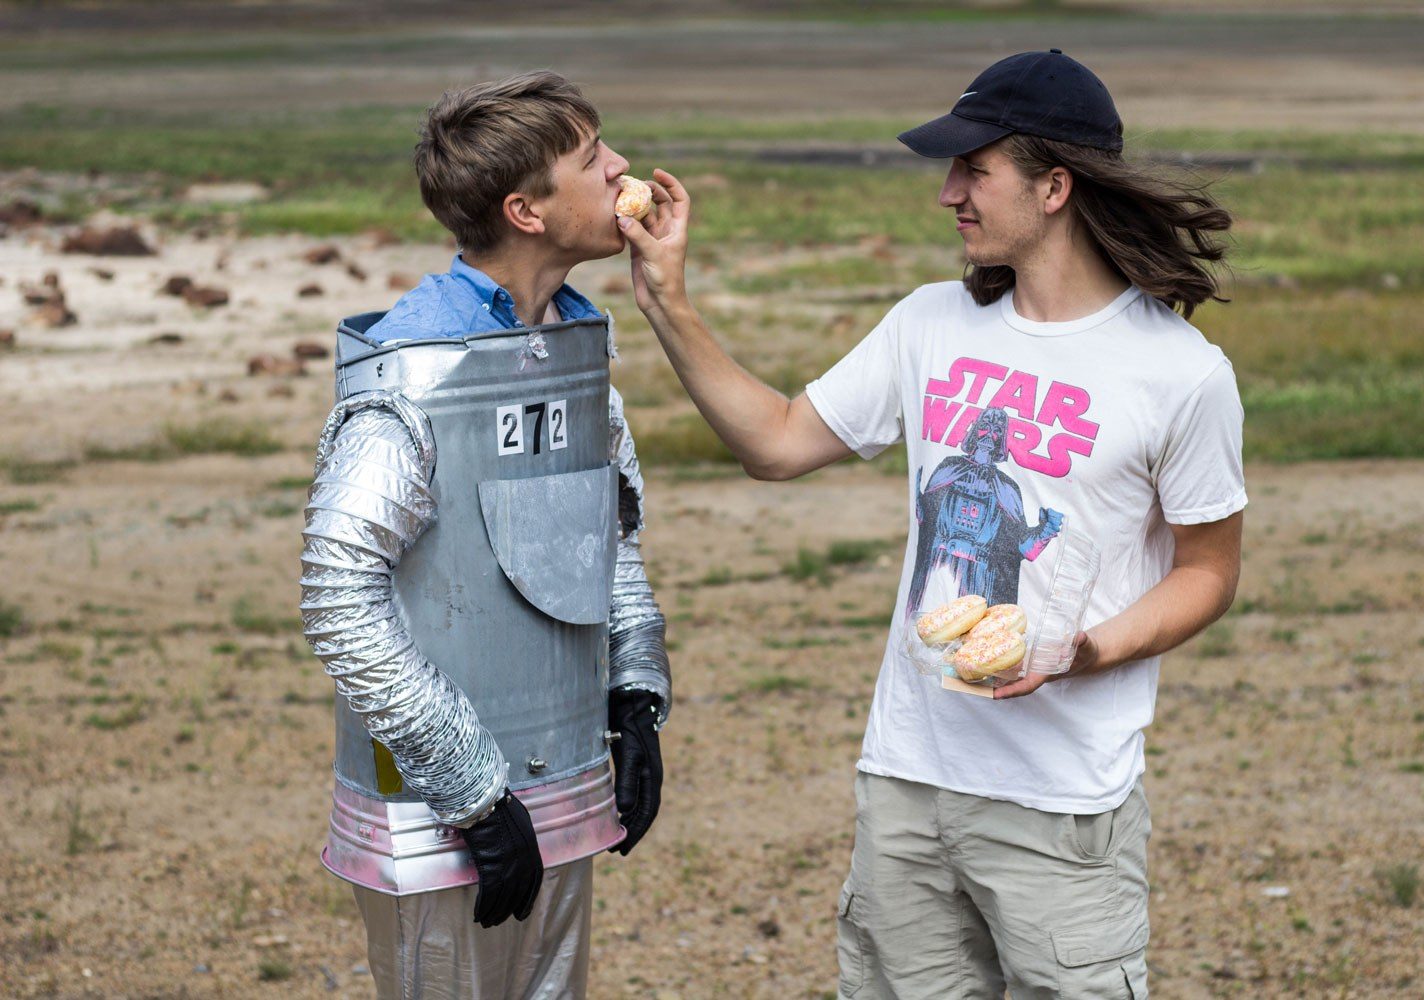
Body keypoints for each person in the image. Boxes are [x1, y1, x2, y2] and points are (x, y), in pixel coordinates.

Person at [618, 50, 1244, 999]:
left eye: (974, 169)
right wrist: (667, 296)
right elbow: (778, 443)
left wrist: (1082, 650)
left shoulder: (1181, 374)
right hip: (907, 781)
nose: (948, 192)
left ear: (1055, 187)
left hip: (1060, 803)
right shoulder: (929, 323)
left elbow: (1209, 571)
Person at [298, 71, 672, 998]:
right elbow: (340, 594)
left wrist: (634, 692)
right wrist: (467, 786)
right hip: (436, 811)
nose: (622, 167)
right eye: (593, 158)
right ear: (526, 211)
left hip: (560, 774)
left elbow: (605, 534)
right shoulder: (412, 374)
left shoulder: (576, 348)